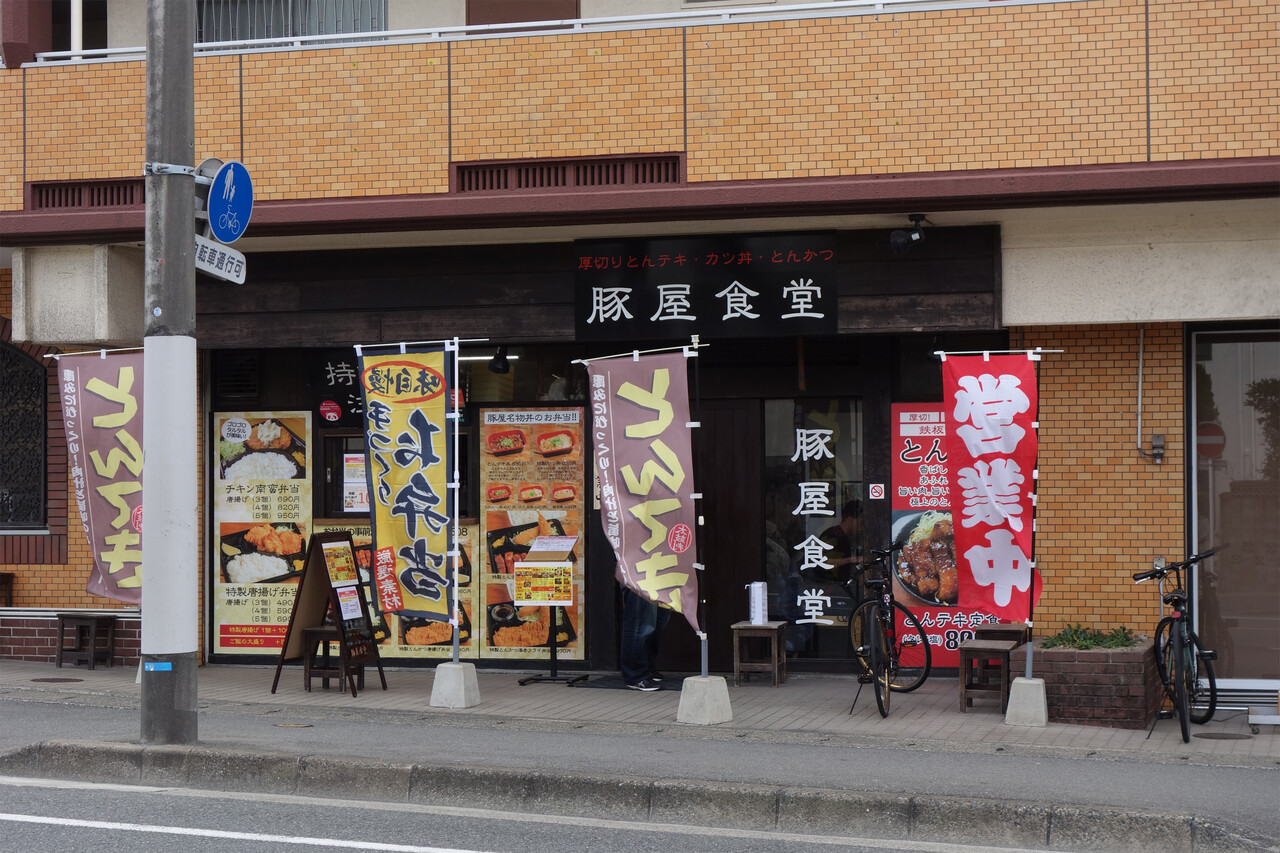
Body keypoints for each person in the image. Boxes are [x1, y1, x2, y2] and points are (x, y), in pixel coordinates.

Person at [619, 587, 670, 691]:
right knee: (640, 622)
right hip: (639, 578)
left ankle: (648, 668)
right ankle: (635, 675)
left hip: (662, 578)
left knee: (659, 620)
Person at [819, 500, 863, 581]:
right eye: (861, 522)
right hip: (827, 583)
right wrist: (852, 559)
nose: (862, 527)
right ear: (849, 518)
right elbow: (824, 562)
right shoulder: (833, 535)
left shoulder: (847, 538)